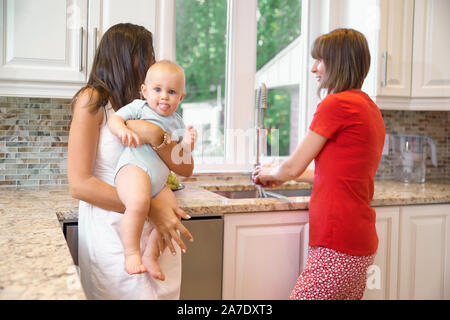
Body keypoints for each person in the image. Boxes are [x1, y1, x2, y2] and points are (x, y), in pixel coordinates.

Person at [252, 28, 385, 300]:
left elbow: (292, 166)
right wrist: (282, 176)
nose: (314, 68)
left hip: (337, 240)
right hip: (359, 241)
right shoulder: (368, 107)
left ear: (339, 63)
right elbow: (338, 174)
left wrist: (273, 174)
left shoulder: (336, 105)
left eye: (320, 60)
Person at [67, 23, 194, 300]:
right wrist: (150, 209)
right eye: (146, 54)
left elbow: (183, 167)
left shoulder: (150, 104)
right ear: (125, 56)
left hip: (156, 237)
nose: (152, 61)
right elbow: (80, 184)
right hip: (114, 235)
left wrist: (159, 136)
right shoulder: (93, 101)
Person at [107, 60, 197, 279]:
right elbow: (115, 118)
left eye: (172, 92)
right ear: (145, 92)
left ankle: (151, 254)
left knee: (172, 216)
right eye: (157, 90)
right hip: (134, 168)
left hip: (159, 183)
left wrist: (188, 143)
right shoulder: (140, 107)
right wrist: (121, 130)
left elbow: (180, 157)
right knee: (138, 202)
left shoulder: (177, 123)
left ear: (181, 97)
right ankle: (131, 253)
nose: (164, 96)